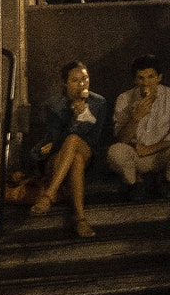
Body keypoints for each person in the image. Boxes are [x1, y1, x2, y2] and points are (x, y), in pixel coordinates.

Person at [29, 60, 110, 237]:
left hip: (88, 151)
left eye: (85, 79)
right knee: (75, 159)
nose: (81, 84)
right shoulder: (53, 105)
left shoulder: (98, 103)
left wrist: (80, 118)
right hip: (58, 157)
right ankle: (80, 219)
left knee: (75, 143)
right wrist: (73, 118)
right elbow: (56, 141)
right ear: (65, 83)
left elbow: (94, 139)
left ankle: (49, 195)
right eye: (75, 80)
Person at [106, 55, 170, 202]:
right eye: (141, 78)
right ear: (135, 80)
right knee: (115, 152)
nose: (146, 83)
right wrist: (136, 118)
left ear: (159, 77)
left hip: (162, 153)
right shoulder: (124, 98)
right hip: (136, 154)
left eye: (150, 77)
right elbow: (121, 138)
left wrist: (152, 148)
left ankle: (166, 180)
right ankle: (135, 183)